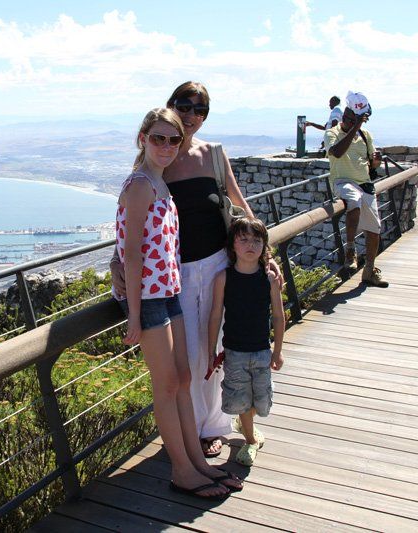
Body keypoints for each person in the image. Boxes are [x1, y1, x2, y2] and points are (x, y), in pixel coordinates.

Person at [112, 81, 282, 460]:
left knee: (216, 346)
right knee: (188, 356)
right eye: (184, 106)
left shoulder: (213, 154)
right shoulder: (160, 160)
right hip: (179, 273)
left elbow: (241, 203)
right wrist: (115, 261)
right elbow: (131, 223)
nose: (191, 116)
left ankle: (215, 424)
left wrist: (265, 253)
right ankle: (194, 433)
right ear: (169, 106)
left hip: (220, 265)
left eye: (200, 110)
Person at [112, 107, 242, 500]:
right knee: (167, 385)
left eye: (173, 139)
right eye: (158, 138)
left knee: (183, 380)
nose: (167, 145)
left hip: (168, 293)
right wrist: (133, 313)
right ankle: (182, 470)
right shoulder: (140, 185)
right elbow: (131, 253)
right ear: (142, 139)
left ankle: (198, 464)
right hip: (148, 300)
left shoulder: (161, 182)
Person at [207, 217, 284, 467]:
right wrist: (211, 350)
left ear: (264, 246)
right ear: (232, 246)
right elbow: (216, 314)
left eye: (256, 240)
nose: (250, 245)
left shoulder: (269, 279)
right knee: (241, 397)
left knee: (260, 398)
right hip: (234, 352)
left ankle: (246, 425)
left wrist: (278, 351)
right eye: (244, 240)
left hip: (262, 350)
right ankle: (250, 439)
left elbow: (278, 315)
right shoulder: (223, 278)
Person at [324, 91, 388, 288]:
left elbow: (371, 164)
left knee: (374, 228)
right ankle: (350, 251)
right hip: (343, 181)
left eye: (358, 121)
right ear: (345, 117)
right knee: (353, 201)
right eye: (352, 120)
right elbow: (337, 152)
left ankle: (369, 270)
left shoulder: (365, 135)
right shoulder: (332, 133)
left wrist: (376, 161)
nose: (355, 124)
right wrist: (355, 128)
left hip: (365, 183)